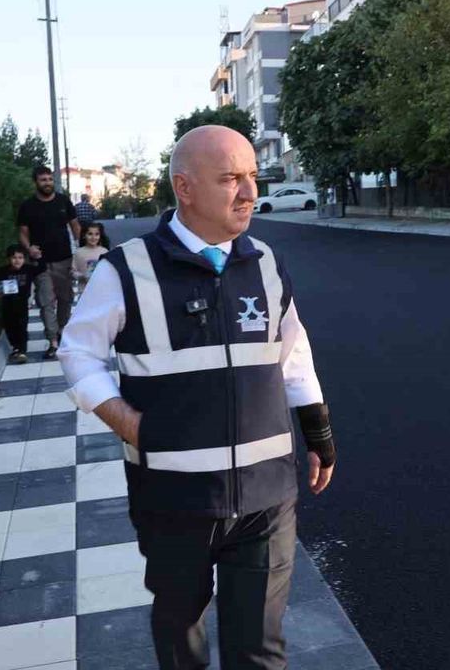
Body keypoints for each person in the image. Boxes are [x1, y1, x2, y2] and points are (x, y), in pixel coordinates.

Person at [58, 125, 337, 670]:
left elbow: (292, 353)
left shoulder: (266, 263)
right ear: (184, 188)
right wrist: (129, 423)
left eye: (252, 176)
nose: (250, 193)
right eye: (231, 179)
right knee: (180, 629)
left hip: (266, 495)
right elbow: (78, 353)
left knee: (259, 649)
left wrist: (319, 434)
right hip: (173, 497)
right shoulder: (126, 270)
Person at [18, 165, 81, 359]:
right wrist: (29, 248)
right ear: (35, 182)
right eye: (43, 180)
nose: (47, 183)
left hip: (64, 259)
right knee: (45, 301)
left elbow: (75, 226)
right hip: (41, 262)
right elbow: (23, 233)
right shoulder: (27, 206)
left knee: (65, 299)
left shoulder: (63, 201)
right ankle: (53, 341)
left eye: (50, 179)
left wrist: (80, 251)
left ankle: (62, 330)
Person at [0, 244, 45, 364]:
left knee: (22, 326)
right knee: (9, 326)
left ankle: (22, 350)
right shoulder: (4, 271)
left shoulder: (28, 269)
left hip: (22, 304)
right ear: (9, 259)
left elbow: (42, 268)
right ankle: (15, 347)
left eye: (20, 258)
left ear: (24, 259)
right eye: (14, 258)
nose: (17, 261)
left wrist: (38, 257)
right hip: (7, 303)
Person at [71, 221, 109, 296]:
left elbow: (108, 271)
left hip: (102, 290)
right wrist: (82, 276)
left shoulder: (104, 251)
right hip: (84, 291)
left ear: (100, 236)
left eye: (96, 234)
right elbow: (73, 272)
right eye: (90, 234)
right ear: (84, 235)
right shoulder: (78, 253)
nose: (93, 237)